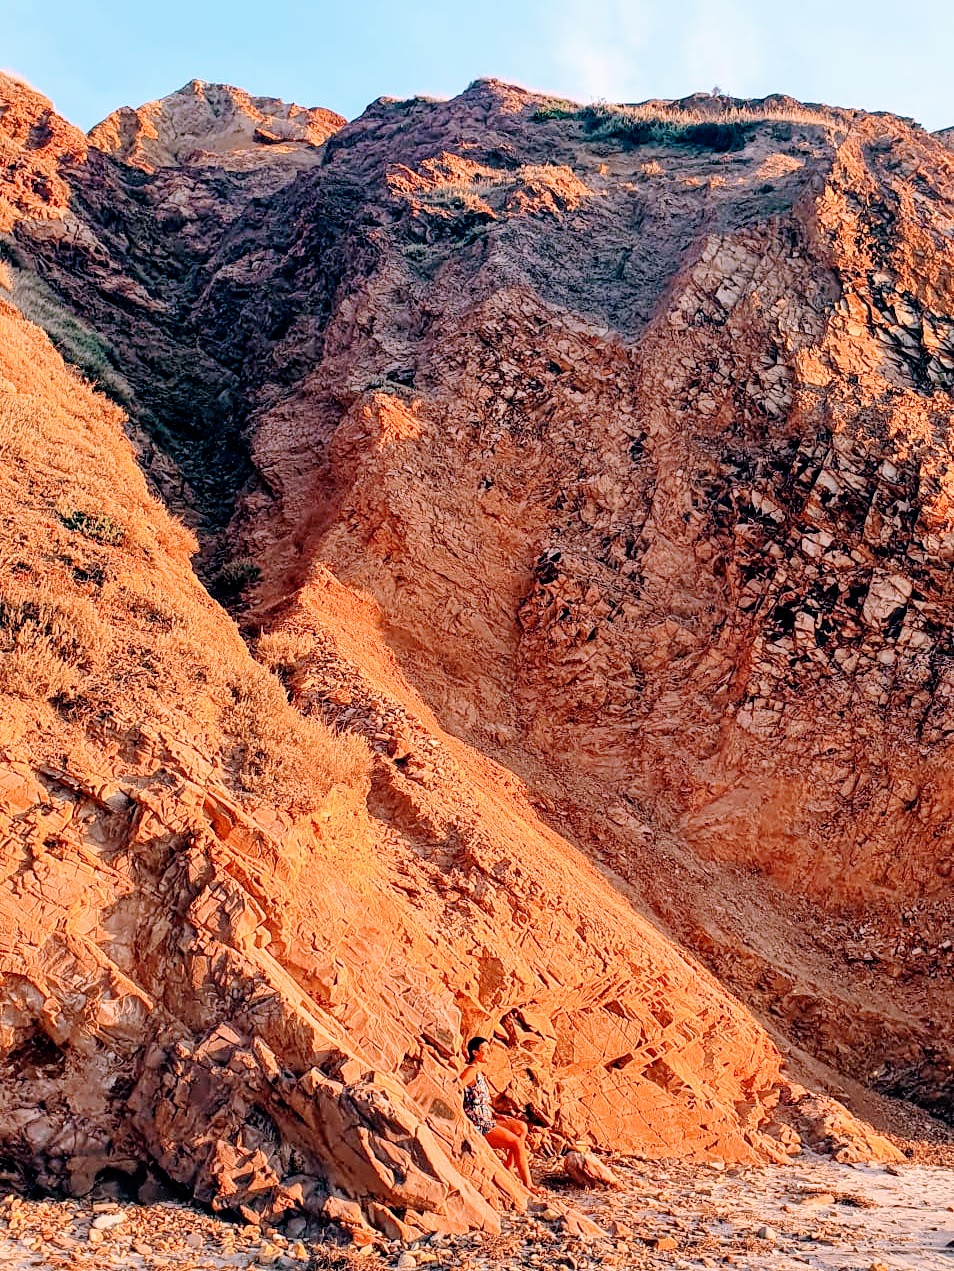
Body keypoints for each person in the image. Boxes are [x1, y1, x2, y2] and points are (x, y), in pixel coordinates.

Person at [459, 1036, 541, 1193]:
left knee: (521, 1127)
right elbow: (456, 1088)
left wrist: (496, 1114)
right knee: (516, 1142)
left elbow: (480, 1100)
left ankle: (508, 1166)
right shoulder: (470, 1071)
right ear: (475, 1052)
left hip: (487, 1118)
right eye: (485, 1049)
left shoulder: (479, 1073)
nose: (489, 1052)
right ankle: (528, 1185)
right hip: (479, 1124)